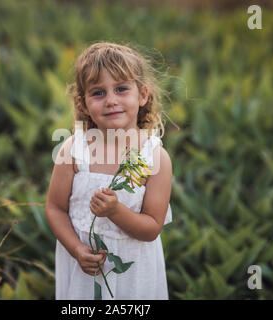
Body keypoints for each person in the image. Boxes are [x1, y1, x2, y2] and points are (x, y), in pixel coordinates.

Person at [45, 42, 172, 300]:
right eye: (98, 93)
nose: (111, 100)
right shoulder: (73, 150)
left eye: (122, 89)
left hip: (134, 275)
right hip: (85, 268)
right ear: (83, 103)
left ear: (143, 94)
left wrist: (116, 211)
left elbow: (151, 227)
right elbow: (55, 208)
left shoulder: (154, 156)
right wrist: (77, 249)